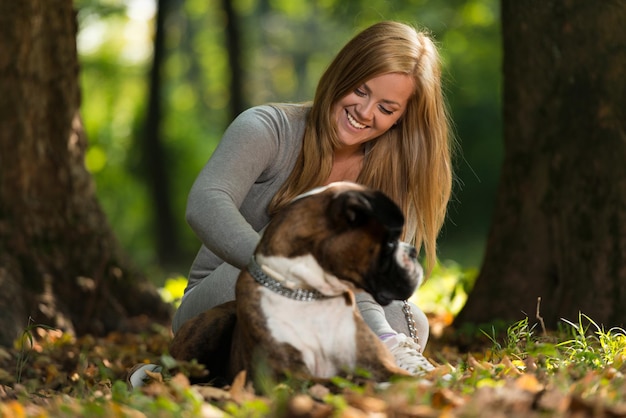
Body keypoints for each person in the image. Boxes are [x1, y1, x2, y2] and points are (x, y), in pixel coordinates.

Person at [173, 20, 452, 377]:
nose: (365, 113)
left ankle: (349, 365)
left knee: (411, 321)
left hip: (323, 304)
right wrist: (281, 267)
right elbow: (206, 202)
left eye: (386, 108)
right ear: (342, 73)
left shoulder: (392, 172)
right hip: (229, 294)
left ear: (401, 118)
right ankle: (374, 352)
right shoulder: (268, 128)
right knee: (322, 252)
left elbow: (376, 274)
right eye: (361, 90)